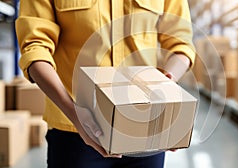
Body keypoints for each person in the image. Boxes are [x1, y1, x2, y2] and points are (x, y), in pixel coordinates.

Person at [15, 0, 196, 167]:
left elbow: (181, 44)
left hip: (145, 130)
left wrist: (164, 90)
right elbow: (35, 49)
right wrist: (74, 112)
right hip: (74, 131)